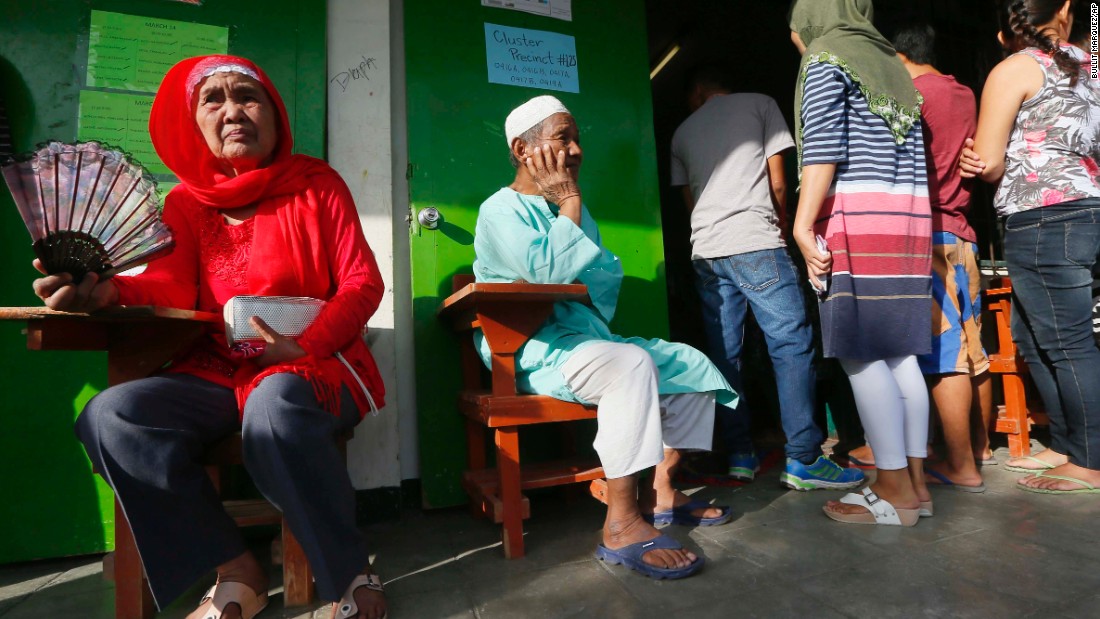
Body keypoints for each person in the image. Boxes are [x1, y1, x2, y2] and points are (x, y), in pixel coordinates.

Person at [31, 55, 388, 619]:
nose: (232, 111)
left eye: (248, 96)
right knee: (111, 418)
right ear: (192, 121)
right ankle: (234, 568)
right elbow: (170, 285)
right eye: (212, 100)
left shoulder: (315, 184)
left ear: (274, 112)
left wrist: (307, 345)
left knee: (273, 405)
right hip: (219, 371)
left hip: (316, 364)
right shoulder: (185, 202)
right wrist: (110, 293)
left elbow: (363, 282)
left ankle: (347, 570)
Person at [474, 95, 738, 579]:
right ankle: (621, 523)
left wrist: (570, 220)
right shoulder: (499, 210)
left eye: (577, 139)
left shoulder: (573, 210)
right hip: (533, 349)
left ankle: (660, 485)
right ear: (521, 148)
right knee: (629, 365)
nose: (575, 150)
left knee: (692, 364)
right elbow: (548, 274)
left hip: (584, 340)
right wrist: (569, 204)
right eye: (562, 138)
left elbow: (597, 284)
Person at [670, 64, 863, 490]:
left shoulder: (682, 132)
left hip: (707, 251)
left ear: (698, 90)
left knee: (725, 354)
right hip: (756, 241)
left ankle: (740, 456)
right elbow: (779, 182)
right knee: (791, 344)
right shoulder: (760, 105)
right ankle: (804, 459)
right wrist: (782, 229)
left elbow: (690, 202)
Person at [788, 0, 934, 526]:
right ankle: (915, 483)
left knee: (861, 354)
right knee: (903, 358)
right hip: (907, 223)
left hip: (857, 220)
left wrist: (802, 225)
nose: (799, 44)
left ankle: (893, 489)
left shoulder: (829, 58)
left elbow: (823, 147)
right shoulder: (892, 67)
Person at [958, 0, 1100, 493]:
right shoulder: (1093, 63)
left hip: (1044, 213)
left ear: (1004, 33)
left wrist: (973, 159)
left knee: (1065, 340)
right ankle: (1065, 443)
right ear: (1063, 11)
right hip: (1083, 206)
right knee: (1034, 333)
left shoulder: (1014, 68)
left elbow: (991, 162)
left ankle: (1090, 460)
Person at [890, 23, 995, 491]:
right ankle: (979, 448)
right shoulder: (963, 93)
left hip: (929, 234)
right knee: (974, 348)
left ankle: (962, 467)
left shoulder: (911, 97)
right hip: (963, 235)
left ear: (896, 55)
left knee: (946, 353)